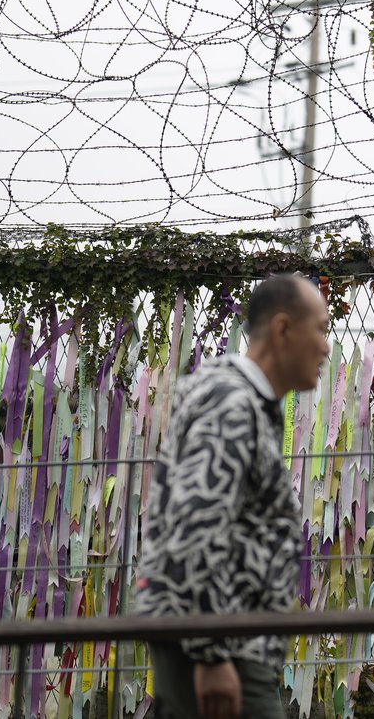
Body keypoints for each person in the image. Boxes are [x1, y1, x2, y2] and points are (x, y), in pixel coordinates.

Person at [136, 273, 330, 719]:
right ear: (282, 329)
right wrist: (210, 654)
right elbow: (194, 525)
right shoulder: (231, 404)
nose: (325, 346)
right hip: (218, 644)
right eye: (319, 329)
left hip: (220, 638)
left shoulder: (242, 401)